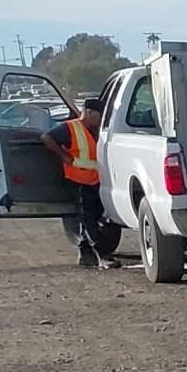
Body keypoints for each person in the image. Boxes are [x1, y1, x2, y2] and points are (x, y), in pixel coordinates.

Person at [40, 95, 108, 267]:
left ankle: (85, 254)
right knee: (88, 218)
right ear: (89, 112)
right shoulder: (70, 128)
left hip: (95, 181)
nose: (101, 120)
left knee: (94, 216)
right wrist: (63, 155)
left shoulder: (98, 130)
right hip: (78, 180)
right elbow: (46, 137)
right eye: (100, 116)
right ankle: (101, 254)